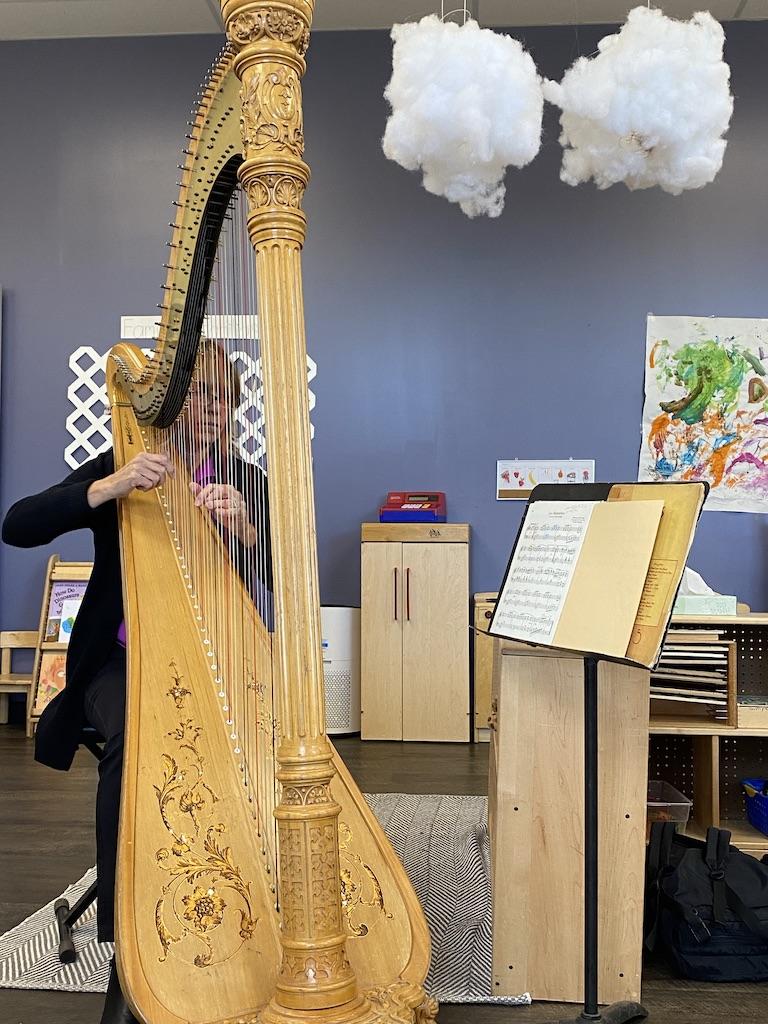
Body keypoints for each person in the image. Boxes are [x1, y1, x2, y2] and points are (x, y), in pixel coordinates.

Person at [2, 344, 270, 1024]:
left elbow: (284, 578)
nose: (213, 410)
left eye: (224, 399)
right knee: (137, 745)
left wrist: (248, 531)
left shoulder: (248, 479)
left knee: (256, 742)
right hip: (118, 662)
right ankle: (130, 951)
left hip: (214, 657)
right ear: (171, 406)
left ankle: (242, 897)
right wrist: (110, 488)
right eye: (200, 397)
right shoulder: (127, 462)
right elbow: (18, 524)